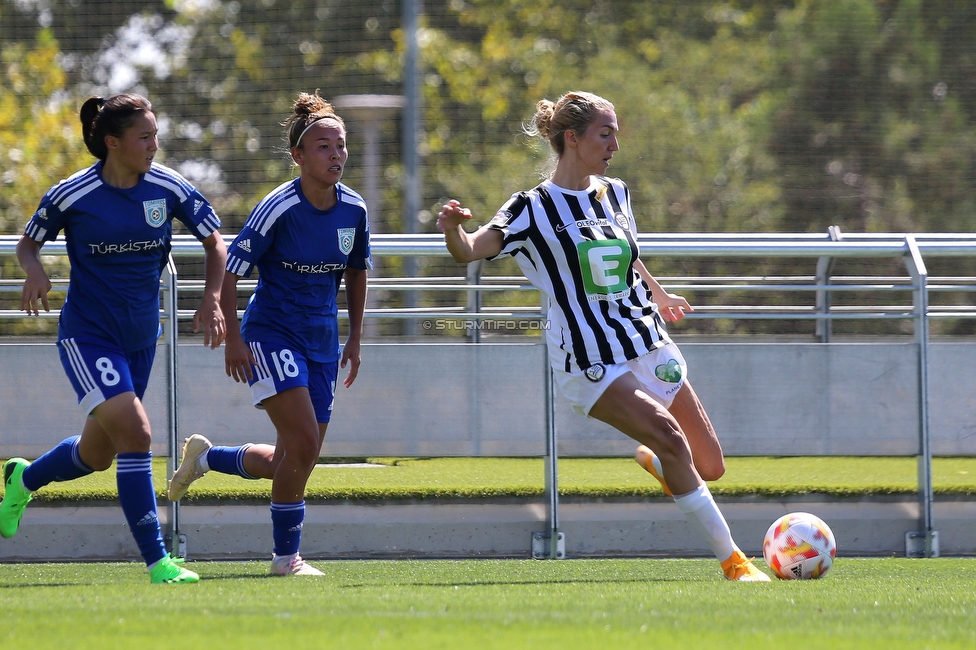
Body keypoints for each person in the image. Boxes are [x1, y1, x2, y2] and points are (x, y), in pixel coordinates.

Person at [436, 91, 770, 581]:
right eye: (605, 132)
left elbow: (624, 253)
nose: (615, 143)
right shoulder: (532, 207)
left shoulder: (616, 192)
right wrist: (451, 230)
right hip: (589, 359)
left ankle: (661, 464)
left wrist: (658, 293)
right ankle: (735, 564)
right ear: (572, 139)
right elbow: (470, 251)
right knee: (673, 440)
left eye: (615, 131)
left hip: (645, 339)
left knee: (710, 465)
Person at [2, 93, 227, 584]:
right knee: (138, 435)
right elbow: (27, 243)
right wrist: (34, 270)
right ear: (113, 142)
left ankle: (23, 478)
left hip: (141, 338)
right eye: (144, 137)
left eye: (155, 136)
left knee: (97, 455)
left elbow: (215, 242)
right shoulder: (72, 194)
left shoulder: (168, 187)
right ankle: (158, 560)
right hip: (88, 337)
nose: (154, 145)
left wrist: (210, 298)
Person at [167, 91, 370, 577]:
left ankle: (207, 458)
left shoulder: (355, 209)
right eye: (323, 146)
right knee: (301, 444)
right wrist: (234, 339)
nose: (335, 154)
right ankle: (286, 559)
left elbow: (358, 272)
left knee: (295, 457)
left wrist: (356, 337)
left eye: (340, 145)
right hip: (271, 334)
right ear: (298, 155)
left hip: (322, 340)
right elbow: (233, 271)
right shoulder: (279, 207)